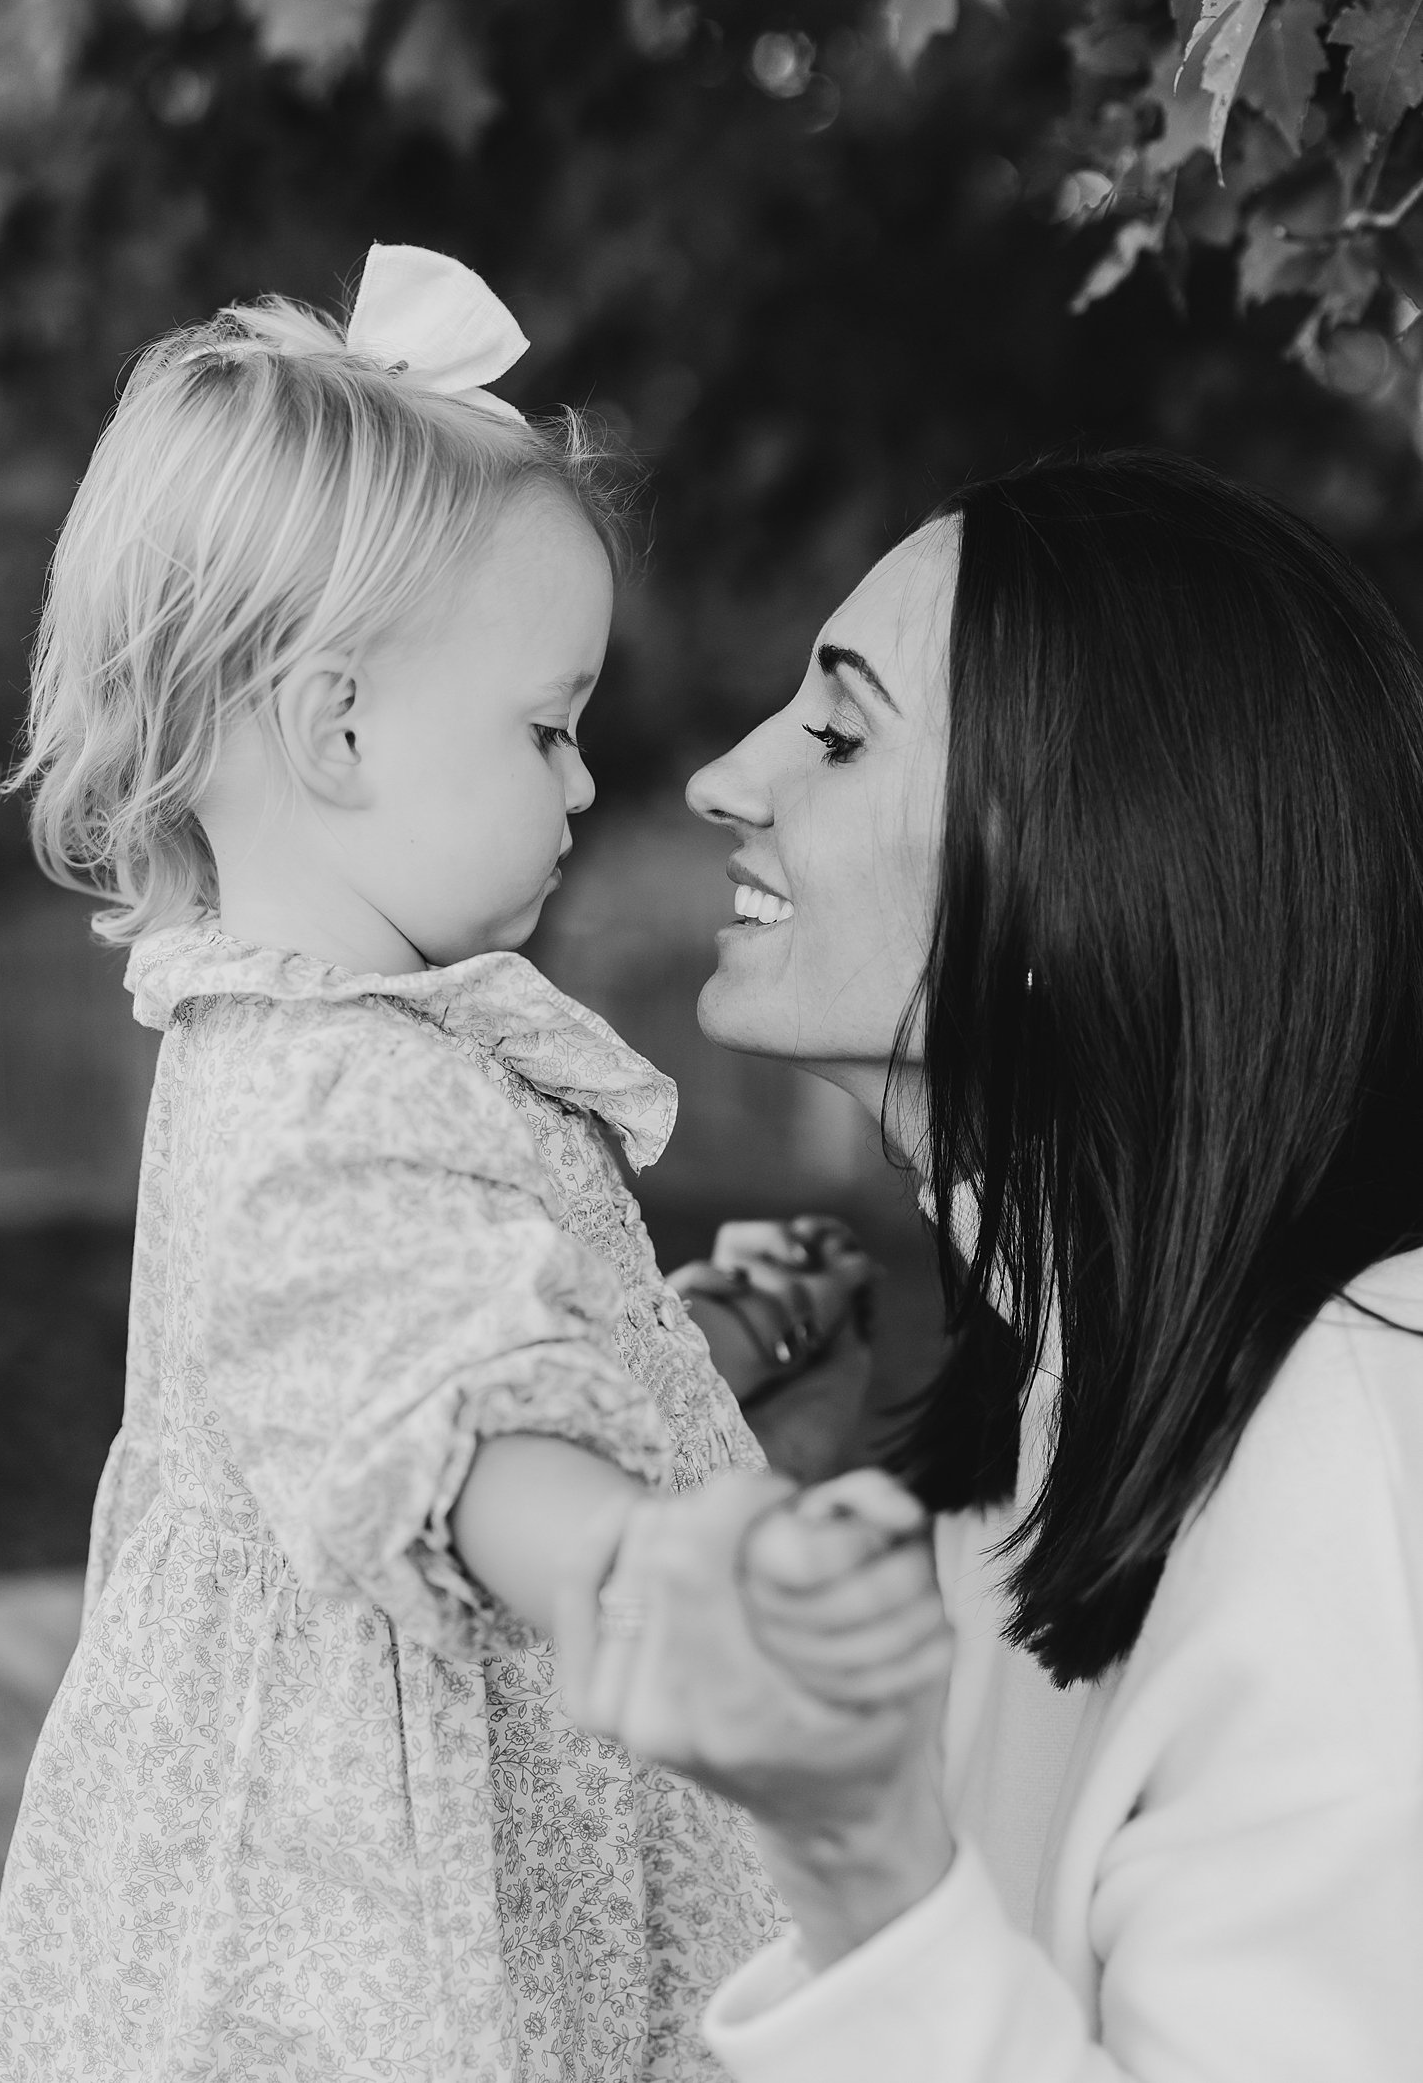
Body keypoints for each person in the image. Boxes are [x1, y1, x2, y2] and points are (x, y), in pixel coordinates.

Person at [0, 245, 874, 2083]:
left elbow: (436, 1341)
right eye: (548, 726)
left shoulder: (345, 1040)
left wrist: (695, 1353)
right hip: (361, 1954)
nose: (584, 784)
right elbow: (443, 1426)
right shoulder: (312, 1096)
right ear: (336, 728)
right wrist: (630, 1555)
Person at [559, 452, 1423, 2081]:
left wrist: (859, 1854)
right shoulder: (1047, 1402)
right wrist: (793, 1527)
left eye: (838, 730)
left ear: (1080, 858)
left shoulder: (1365, 1444)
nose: (726, 779)